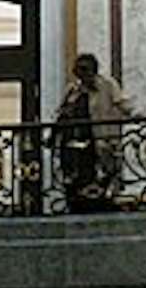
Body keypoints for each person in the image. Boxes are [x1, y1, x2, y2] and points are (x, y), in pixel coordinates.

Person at [53, 53, 134, 213]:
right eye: (79, 70)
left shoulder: (107, 85)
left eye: (86, 70)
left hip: (101, 139)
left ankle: (104, 203)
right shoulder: (73, 89)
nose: (82, 74)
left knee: (104, 175)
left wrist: (138, 115)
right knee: (79, 178)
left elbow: (122, 103)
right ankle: (77, 204)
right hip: (77, 143)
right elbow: (62, 113)